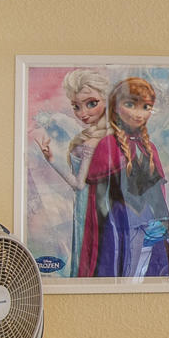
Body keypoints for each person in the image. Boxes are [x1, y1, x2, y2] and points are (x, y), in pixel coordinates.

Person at [77, 74, 169, 280]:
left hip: (149, 226)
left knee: (146, 272)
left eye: (145, 107)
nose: (138, 114)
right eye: (131, 104)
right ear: (117, 107)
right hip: (120, 227)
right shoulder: (107, 146)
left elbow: (157, 194)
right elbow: (98, 201)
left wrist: (164, 224)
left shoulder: (150, 148)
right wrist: (110, 232)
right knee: (125, 273)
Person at [32, 68, 113, 265]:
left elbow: (78, 185)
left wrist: (52, 161)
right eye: (76, 106)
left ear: (107, 100)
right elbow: (78, 186)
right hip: (92, 210)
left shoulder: (100, 141)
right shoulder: (94, 140)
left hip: (97, 211)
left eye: (91, 104)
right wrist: (51, 159)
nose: (83, 113)